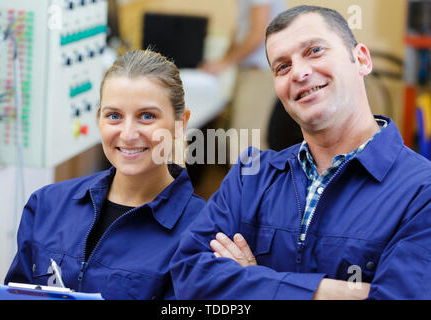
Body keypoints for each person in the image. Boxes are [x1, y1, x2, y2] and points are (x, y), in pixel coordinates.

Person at [170, 6, 431, 300]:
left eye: (315, 51)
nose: (300, 72)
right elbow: (188, 272)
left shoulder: (421, 192)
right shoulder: (250, 174)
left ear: (361, 59)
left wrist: (251, 280)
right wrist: (341, 293)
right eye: (282, 66)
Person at [5, 49, 206, 300]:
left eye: (147, 116)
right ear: (99, 118)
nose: (128, 134)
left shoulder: (202, 232)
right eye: (114, 116)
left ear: (181, 123)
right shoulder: (46, 205)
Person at [200, 0, 284, 150]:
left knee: (244, 144)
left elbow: (259, 32)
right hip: (248, 70)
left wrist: (225, 63)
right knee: (238, 141)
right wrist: (222, 62)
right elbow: (242, 28)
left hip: (259, 72)